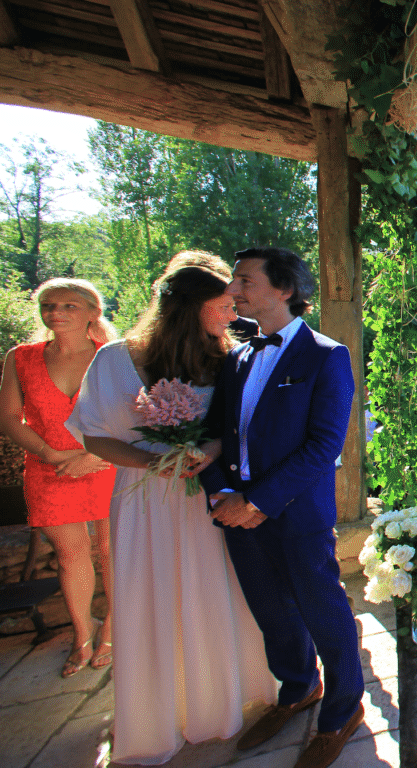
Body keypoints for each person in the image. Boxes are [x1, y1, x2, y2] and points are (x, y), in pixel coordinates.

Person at [71, 256, 277, 764]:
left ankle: (218, 703)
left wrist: (203, 452)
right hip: (142, 505)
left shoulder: (227, 357)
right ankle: (156, 714)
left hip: (205, 498)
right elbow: (94, 433)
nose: (232, 313)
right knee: (151, 595)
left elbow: (236, 429)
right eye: (222, 305)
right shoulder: (114, 359)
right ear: (190, 308)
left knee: (214, 592)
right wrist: (150, 460)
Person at [198, 247, 365, 767]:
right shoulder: (237, 356)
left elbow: (322, 446)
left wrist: (259, 500)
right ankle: (297, 689)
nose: (233, 290)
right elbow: (216, 435)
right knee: (270, 611)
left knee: (324, 612)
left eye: (244, 280)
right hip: (237, 515)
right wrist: (220, 493)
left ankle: (342, 712)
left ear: (284, 289)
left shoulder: (326, 355)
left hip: (295, 516)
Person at [0, 278, 117, 678]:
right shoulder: (21, 357)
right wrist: (50, 453)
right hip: (48, 469)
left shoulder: (113, 356)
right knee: (71, 556)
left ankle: (113, 633)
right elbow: (8, 418)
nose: (56, 312)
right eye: (48, 305)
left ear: (92, 312)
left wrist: (90, 456)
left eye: (69, 305)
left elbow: (134, 417)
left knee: (112, 553)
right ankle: (81, 635)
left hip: (107, 465)